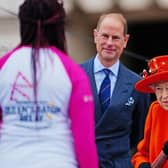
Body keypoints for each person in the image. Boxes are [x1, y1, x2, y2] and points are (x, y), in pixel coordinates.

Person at [0, 0, 98, 168]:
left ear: (23, 24)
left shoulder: (3, 66)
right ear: (58, 27)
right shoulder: (73, 72)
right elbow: (84, 140)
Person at [80, 13, 151, 168]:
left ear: (125, 41)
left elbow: (140, 136)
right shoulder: (75, 76)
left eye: (116, 37)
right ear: (95, 36)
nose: (109, 43)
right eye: (105, 36)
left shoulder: (137, 85)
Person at [132, 55, 168, 168]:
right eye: (159, 89)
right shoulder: (155, 110)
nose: (164, 96)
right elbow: (142, 154)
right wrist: (142, 164)